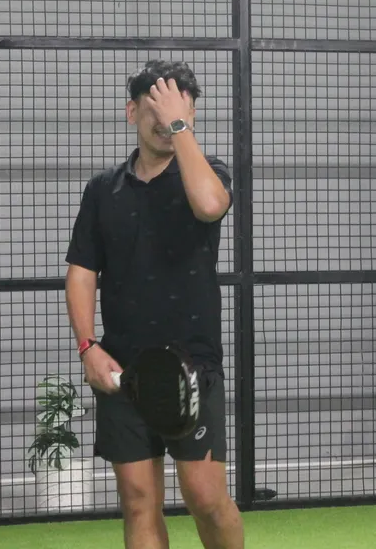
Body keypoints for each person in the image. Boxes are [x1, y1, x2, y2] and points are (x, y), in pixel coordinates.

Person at [64, 59, 244, 549]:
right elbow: (82, 271)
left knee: (206, 499)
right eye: (156, 110)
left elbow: (210, 205)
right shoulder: (103, 190)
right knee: (139, 500)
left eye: (179, 112)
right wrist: (87, 347)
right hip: (123, 368)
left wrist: (179, 126)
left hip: (192, 366)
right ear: (132, 113)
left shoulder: (210, 174)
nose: (166, 122)